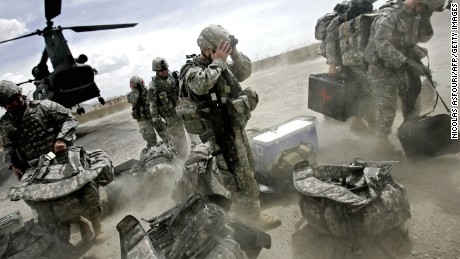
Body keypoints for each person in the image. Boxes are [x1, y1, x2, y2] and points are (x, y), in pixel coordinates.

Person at [178, 24, 281, 229]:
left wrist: (234, 53)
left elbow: (243, 72)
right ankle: (253, 217)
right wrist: (218, 61)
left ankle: (241, 207)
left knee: (246, 168)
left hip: (235, 128)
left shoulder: (219, 65)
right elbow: (200, 85)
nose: (223, 52)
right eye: (219, 48)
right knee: (239, 175)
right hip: (220, 134)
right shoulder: (192, 70)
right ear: (207, 49)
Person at [0, 80, 104, 242]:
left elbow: (69, 119)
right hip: (35, 166)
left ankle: (98, 227)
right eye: (3, 104)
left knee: (86, 189)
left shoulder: (45, 106)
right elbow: (8, 147)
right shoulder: (5, 123)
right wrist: (13, 165)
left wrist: (62, 139)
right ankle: (80, 222)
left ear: (18, 95)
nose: (8, 106)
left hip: (60, 157)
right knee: (41, 204)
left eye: (10, 101)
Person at [364, 0, 442, 154]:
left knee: (413, 105)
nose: (422, 11)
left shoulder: (416, 15)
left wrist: (426, 17)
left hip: (403, 68)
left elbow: (421, 39)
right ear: (418, 2)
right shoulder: (389, 15)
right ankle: (381, 144)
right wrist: (406, 62)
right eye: (423, 7)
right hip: (382, 71)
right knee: (387, 110)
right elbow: (382, 46)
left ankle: (412, 139)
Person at [324, 0, 377, 134]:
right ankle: (372, 126)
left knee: (362, 91)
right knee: (367, 91)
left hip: (361, 60)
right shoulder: (340, 20)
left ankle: (358, 122)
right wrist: (332, 64)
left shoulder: (368, 15)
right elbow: (330, 39)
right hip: (347, 62)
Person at [147, 57, 188, 159]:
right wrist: (157, 121)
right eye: (161, 70)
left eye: (166, 69)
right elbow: (153, 105)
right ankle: (183, 159)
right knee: (179, 140)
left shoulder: (172, 76)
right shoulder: (154, 86)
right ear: (156, 71)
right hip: (171, 117)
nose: (164, 71)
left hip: (182, 111)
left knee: (191, 133)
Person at [128, 75, 168, 148]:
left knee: (165, 135)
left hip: (153, 116)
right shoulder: (132, 94)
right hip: (144, 120)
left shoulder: (148, 89)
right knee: (151, 141)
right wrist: (136, 90)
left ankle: (171, 148)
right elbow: (133, 100)